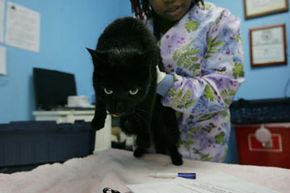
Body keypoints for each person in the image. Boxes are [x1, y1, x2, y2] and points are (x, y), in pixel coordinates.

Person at [130, 0, 245, 162]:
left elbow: (221, 92)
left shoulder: (219, 21)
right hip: (150, 149)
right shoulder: (138, 28)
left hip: (200, 149)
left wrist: (162, 83)